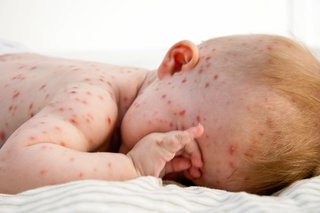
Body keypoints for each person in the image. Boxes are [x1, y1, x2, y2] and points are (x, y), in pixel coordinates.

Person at [0, 35, 319, 195]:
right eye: (182, 141)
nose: (165, 164)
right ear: (177, 62)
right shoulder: (95, 106)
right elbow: (12, 165)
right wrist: (131, 167)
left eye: (185, 178)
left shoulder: (148, 93)